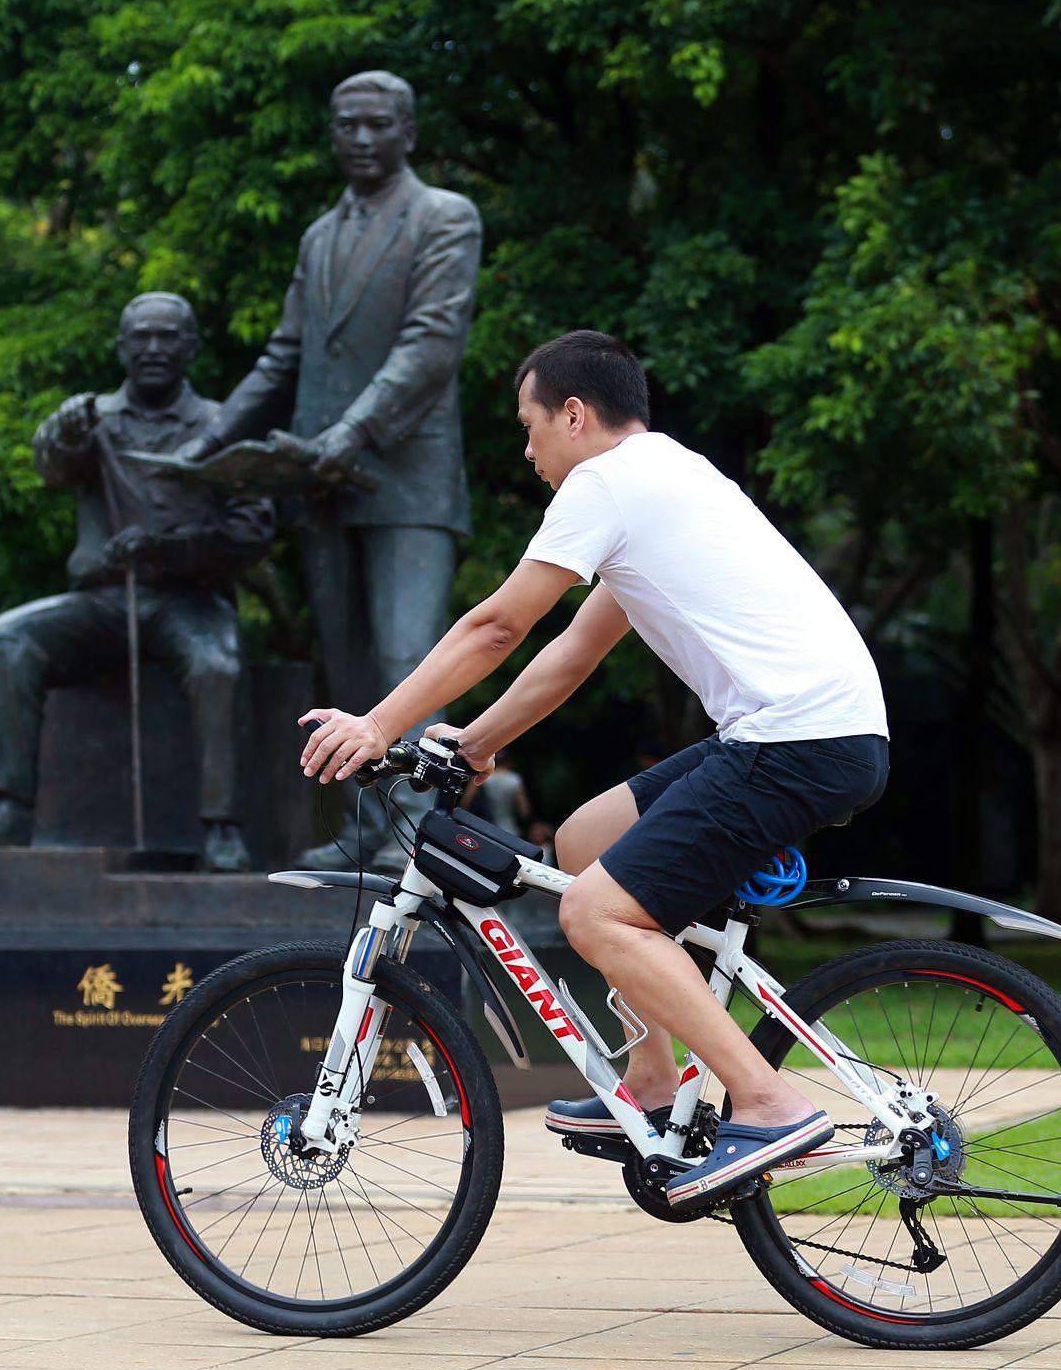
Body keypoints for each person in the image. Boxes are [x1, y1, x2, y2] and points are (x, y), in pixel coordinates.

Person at [298, 331, 889, 1206]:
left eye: (531, 427)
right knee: (585, 836)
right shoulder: (665, 478)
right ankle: (649, 1083)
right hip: (802, 731)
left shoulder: (606, 484)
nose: (528, 450)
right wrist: (475, 743)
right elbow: (572, 651)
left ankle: (768, 1101)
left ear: (575, 415)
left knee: (595, 912)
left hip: (796, 739)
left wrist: (380, 722)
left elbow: (499, 626)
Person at [183, 71, 483, 872]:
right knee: (348, 666)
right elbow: (284, 355)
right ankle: (366, 820)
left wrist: (351, 433)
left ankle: (418, 826)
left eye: (375, 125)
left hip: (407, 479)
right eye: (344, 124)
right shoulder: (320, 236)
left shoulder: (444, 217)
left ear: (407, 132)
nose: (357, 138)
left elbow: (430, 345)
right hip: (323, 482)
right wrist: (207, 441)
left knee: (409, 654)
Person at [0, 293, 272, 872]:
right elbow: (54, 468)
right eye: (140, 337)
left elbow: (253, 531)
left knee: (218, 667)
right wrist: (62, 437)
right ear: (122, 348)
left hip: (189, 601)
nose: (153, 348)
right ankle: (6, 810)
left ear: (192, 347)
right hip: (101, 601)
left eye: (168, 336)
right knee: (8, 636)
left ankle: (221, 826)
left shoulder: (224, 425)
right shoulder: (91, 420)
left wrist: (170, 549)